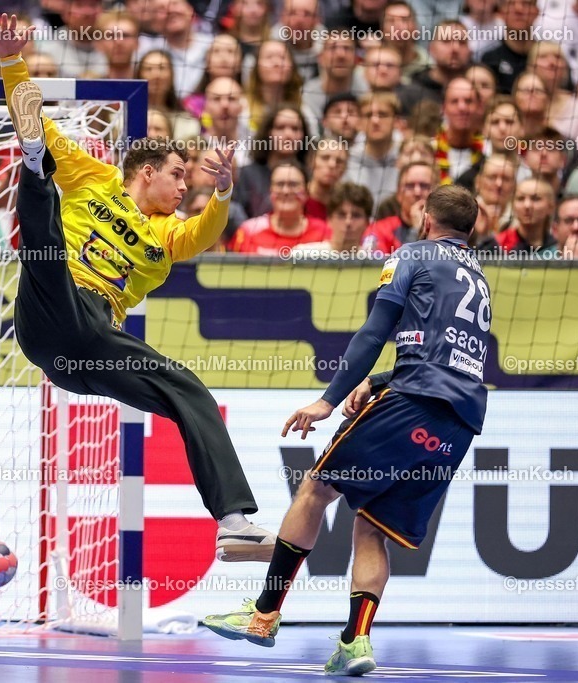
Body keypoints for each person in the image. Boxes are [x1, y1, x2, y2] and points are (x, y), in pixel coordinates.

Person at [0, 14, 276, 562]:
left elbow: (204, 232)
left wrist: (221, 196)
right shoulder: (91, 176)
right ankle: (31, 172)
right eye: (178, 176)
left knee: (188, 390)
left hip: (88, 349)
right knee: (43, 214)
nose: (183, 187)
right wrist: (11, 61)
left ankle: (234, 521)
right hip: (55, 299)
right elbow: (38, 122)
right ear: (147, 172)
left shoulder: (167, 235)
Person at [202, 185, 490, 676]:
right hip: (458, 425)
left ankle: (263, 615)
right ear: (471, 228)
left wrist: (328, 399)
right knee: (370, 528)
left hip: (413, 402)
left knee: (314, 490)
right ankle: (355, 643)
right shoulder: (478, 276)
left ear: (424, 217)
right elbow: (450, 354)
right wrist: (379, 381)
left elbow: (375, 331)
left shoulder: (412, 254)